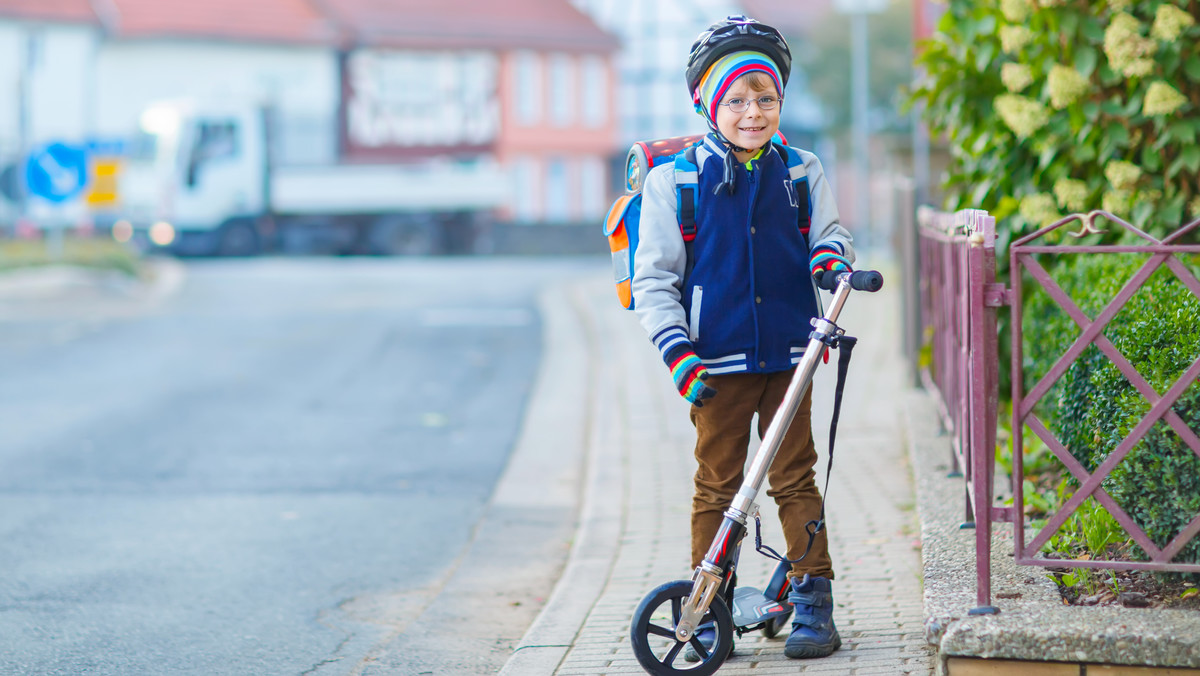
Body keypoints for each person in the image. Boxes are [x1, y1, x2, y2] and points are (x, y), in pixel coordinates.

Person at [630, 15, 855, 660]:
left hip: (791, 354)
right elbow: (654, 281)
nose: (752, 112)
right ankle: (709, 606)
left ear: (781, 101)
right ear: (707, 102)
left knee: (794, 477)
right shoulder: (677, 181)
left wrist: (831, 263)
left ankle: (813, 599)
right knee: (718, 483)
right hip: (713, 364)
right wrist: (677, 354)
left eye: (766, 98)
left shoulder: (801, 170)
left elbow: (831, 237)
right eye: (736, 99)